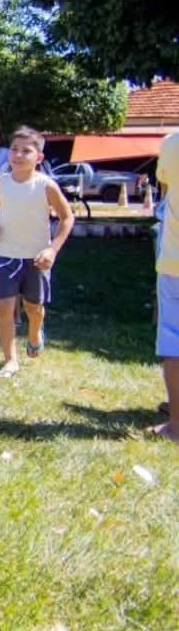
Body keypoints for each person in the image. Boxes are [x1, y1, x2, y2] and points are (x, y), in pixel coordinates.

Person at [0, 127, 75, 378]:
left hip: (36, 257)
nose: (18, 155)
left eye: (26, 151)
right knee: (3, 307)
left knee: (33, 307)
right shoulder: (0, 183)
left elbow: (67, 218)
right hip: (4, 252)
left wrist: (52, 249)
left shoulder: (46, 186)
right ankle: (10, 360)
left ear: (39, 158)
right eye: (14, 149)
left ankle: (36, 332)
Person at [151, 132, 179, 441]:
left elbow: (166, 184)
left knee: (175, 340)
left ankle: (176, 425)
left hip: (175, 261)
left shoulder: (172, 143)